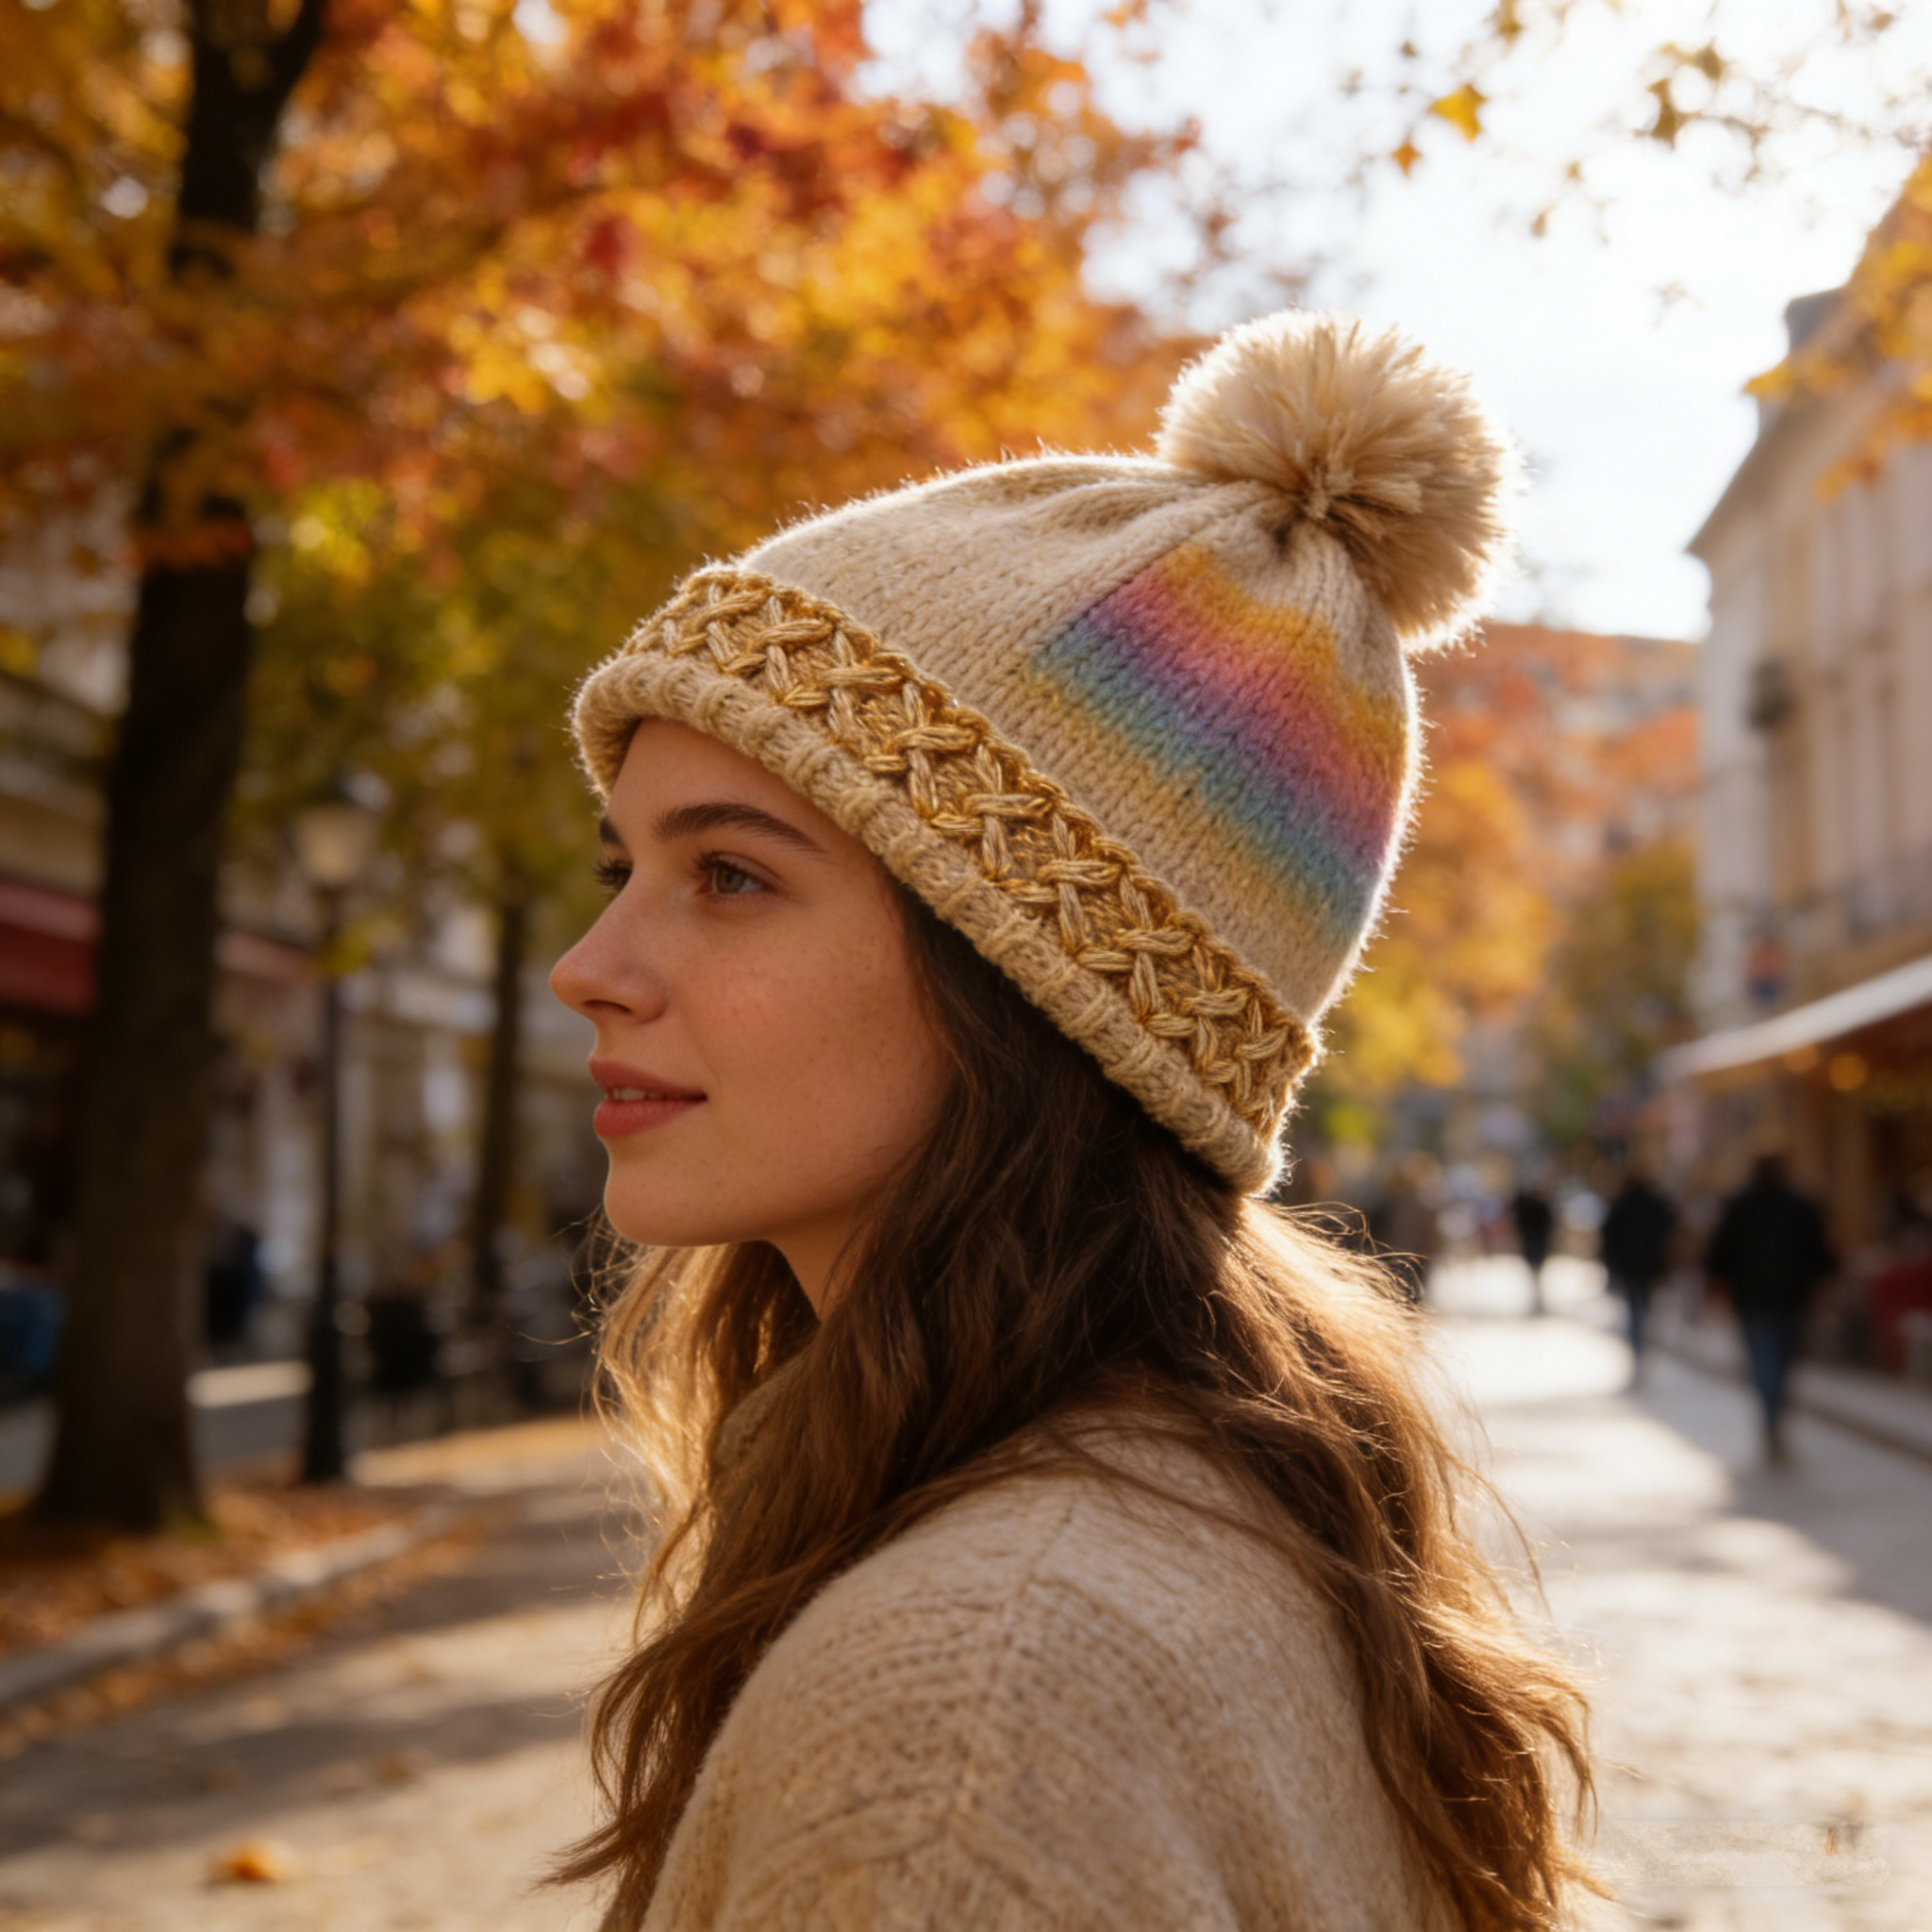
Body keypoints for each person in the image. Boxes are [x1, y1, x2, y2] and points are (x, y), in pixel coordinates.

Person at [549, 311, 1595, 1931]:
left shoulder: (958, 1723)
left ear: (1033, 978)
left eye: (730, 874)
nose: (589, 968)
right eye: (625, 867)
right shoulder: (1193, 1507)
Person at [1704, 1153, 1835, 1465]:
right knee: (1782, 1359)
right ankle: (1775, 1412)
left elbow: (1719, 1252)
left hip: (1753, 1296)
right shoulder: (1799, 1205)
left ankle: (1771, 1414)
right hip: (1790, 1295)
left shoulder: (1740, 1205)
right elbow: (1820, 1253)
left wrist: (1717, 1282)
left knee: (1764, 1359)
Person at [1598, 1167, 1677, 1382]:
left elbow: (1609, 1236)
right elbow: (1669, 1231)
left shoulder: (1622, 1205)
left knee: (1635, 1307)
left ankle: (1638, 1342)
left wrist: (1611, 1264)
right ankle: (1640, 1340)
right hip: (1649, 1265)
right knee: (1643, 1304)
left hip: (1629, 1266)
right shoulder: (1656, 1205)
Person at [1509, 1178, 1557, 1315]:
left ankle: (1537, 1292)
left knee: (1535, 1268)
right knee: (1535, 1268)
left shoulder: (1535, 1207)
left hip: (1534, 1242)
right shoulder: (1536, 1207)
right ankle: (1537, 1292)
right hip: (1535, 1242)